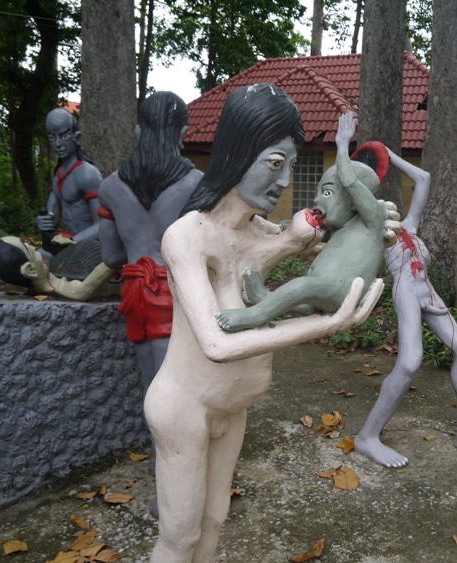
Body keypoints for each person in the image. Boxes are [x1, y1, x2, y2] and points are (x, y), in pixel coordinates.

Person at [144, 83, 384, 563]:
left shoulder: (263, 233)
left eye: (291, 165)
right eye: (275, 163)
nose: (284, 180)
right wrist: (327, 325)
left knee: (215, 519)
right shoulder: (188, 237)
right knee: (179, 538)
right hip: (184, 408)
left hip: (232, 408)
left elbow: (328, 241)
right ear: (237, 155)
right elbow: (215, 341)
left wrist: (374, 225)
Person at [353, 150, 457, 469]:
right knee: (409, 363)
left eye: (391, 206)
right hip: (406, 292)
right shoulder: (377, 236)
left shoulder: (411, 226)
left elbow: (424, 178)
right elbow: (355, 194)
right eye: (382, 207)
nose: (389, 209)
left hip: (429, 293)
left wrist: (387, 155)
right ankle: (368, 437)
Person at [97, 91, 203, 508]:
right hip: (175, 293)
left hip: (134, 293)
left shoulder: (109, 187)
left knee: (151, 386)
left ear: (140, 130)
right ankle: (172, 485)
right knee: (177, 389)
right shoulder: (195, 184)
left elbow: (109, 256)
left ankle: (160, 466)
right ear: (180, 131)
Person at [216, 112, 389, 332]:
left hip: (339, 290)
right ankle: (263, 297)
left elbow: (349, 181)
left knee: (303, 287)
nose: (317, 199)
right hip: (322, 291)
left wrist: (343, 144)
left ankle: (251, 317)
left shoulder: (372, 220)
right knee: (303, 296)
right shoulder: (343, 227)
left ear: (355, 200)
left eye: (327, 193)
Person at [37, 108, 103, 256]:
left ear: (77, 137)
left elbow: (102, 225)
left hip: (89, 247)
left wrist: (72, 242)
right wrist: (44, 221)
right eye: (52, 138)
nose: (58, 144)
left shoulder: (88, 174)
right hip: (66, 242)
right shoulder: (58, 176)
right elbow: (51, 219)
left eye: (64, 136)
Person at [0, 236, 116, 301]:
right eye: (33, 252)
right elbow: (81, 291)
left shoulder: (38, 282)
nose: (39, 253)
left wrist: (67, 249)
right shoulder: (64, 288)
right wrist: (115, 257)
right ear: (30, 270)